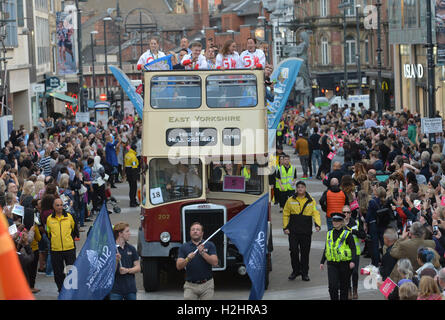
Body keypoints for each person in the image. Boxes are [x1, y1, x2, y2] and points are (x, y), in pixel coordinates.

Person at [283, 181, 321, 281]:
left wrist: (317, 224)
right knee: (293, 251)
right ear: (296, 189)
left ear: (305, 188)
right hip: (293, 231)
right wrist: (285, 227)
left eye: (302, 187)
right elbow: (286, 213)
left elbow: (316, 213)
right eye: (298, 187)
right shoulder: (290, 200)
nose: (300, 189)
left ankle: (305, 273)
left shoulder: (311, 200)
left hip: (306, 231)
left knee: (305, 253)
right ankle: (295, 271)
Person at [176, 222, 218, 300]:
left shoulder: (209, 245)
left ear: (202, 233)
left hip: (207, 285)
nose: (195, 231)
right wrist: (187, 259)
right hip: (190, 286)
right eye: (193, 230)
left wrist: (203, 253)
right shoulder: (184, 247)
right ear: (190, 232)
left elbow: (215, 262)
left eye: (198, 230)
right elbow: (179, 266)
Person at [320, 212, 357, 300]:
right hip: (332, 264)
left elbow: (353, 248)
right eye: (333, 220)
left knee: (344, 287)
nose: (335, 222)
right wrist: (322, 261)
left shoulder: (347, 234)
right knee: (332, 287)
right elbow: (326, 248)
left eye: (337, 221)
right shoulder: (329, 233)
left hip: (344, 264)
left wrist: (352, 261)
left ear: (341, 222)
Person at [46, 198, 77, 292]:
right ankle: (61, 290)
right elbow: (48, 233)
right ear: (53, 207)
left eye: (61, 205)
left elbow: (73, 229)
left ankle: (72, 291)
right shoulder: (49, 219)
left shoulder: (69, 216)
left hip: (69, 248)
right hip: (56, 249)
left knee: (71, 271)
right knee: (58, 273)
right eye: (57, 205)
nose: (60, 207)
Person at [110, 222, 140, 300]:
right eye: (127, 231)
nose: (130, 233)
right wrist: (116, 261)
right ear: (120, 234)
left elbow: (138, 267)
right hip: (115, 290)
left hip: (130, 289)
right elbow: (109, 271)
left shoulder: (131, 248)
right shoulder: (110, 249)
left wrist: (127, 270)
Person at [343, 205, 366, 299]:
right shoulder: (339, 224)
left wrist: (353, 231)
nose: (346, 214)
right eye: (344, 212)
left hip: (355, 252)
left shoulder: (355, 222)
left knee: (355, 272)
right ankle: (348, 290)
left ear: (350, 214)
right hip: (344, 252)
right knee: (346, 273)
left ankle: (355, 290)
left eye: (348, 212)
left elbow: (363, 235)